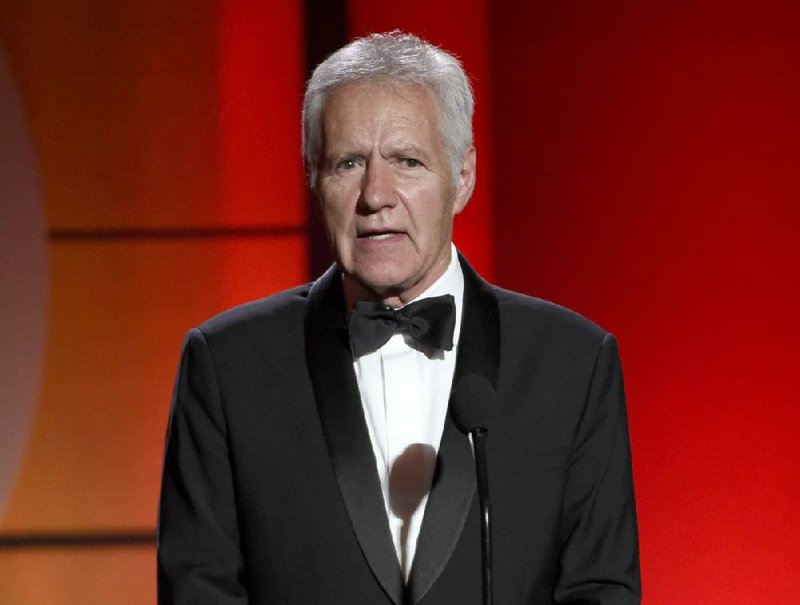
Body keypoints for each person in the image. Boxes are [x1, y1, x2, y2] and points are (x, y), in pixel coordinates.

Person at [157, 31, 641, 604]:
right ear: (314, 178)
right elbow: (198, 590)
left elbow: (599, 590)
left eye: (407, 161)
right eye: (348, 163)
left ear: (462, 177)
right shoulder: (229, 366)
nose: (375, 195)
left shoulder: (572, 364)